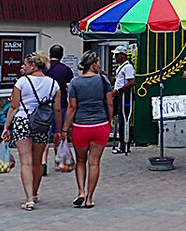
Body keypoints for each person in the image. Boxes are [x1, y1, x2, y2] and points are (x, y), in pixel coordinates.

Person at [1, 52, 62, 210]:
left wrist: (6, 126)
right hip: (42, 123)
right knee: (37, 161)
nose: (24, 67)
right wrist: (59, 130)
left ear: (33, 66)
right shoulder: (53, 84)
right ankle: (35, 192)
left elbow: (14, 106)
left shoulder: (22, 82)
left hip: (22, 120)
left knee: (26, 162)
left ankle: (29, 199)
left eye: (26, 64)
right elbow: (56, 109)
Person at [64, 51, 113, 208]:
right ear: (93, 64)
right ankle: (90, 198)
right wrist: (109, 120)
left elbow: (72, 107)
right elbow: (110, 102)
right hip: (100, 125)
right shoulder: (103, 80)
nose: (99, 65)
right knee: (94, 162)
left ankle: (81, 192)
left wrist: (65, 128)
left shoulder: (75, 83)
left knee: (81, 161)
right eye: (98, 62)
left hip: (80, 126)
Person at [45, 45, 74, 172]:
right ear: (62, 55)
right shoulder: (66, 70)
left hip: (44, 107)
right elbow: (69, 89)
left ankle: (43, 161)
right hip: (61, 106)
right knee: (59, 134)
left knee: (44, 136)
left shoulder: (43, 69)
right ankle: (59, 161)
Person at [109, 46, 135, 153]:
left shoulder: (127, 67)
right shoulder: (121, 67)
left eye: (117, 55)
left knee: (124, 120)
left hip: (125, 96)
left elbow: (132, 82)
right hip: (120, 95)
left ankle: (125, 144)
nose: (115, 57)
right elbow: (117, 81)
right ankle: (122, 143)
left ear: (122, 55)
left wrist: (119, 90)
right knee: (120, 119)